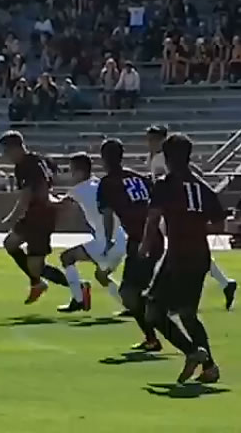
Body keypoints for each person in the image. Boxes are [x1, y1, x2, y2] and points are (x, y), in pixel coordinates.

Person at [140, 133, 223, 384]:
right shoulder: (203, 187)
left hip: (176, 256)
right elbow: (220, 224)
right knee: (187, 313)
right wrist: (196, 229)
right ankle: (208, 367)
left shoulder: (165, 185)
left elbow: (153, 217)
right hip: (199, 256)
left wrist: (145, 245)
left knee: (153, 311)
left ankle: (193, 352)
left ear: (166, 158)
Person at [145, 124, 238, 309]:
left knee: (179, 245)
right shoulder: (162, 157)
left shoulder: (164, 158)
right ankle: (224, 282)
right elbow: (195, 173)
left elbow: (180, 177)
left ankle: (165, 299)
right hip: (172, 204)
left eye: (151, 139)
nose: (148, 142)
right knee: (186, 245)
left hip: (173, 204)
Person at [98, 137, 161, 350]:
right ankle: (152, 335)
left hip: (140, 240)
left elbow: (107, 215)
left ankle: (156, 335)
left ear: (103, 159)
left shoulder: (107, 183)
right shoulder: (138, 178)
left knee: (130, 293)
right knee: (135, 292)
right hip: (154, 237)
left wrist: (108, 240)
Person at [0, 130, 67, 303]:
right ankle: (37, 284)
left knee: (36, 266)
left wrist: (11, 217)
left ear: (16, 148)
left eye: (6, 151)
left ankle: (78, 285)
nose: (5, 156)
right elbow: (54, 176)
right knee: (10, 243)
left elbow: (26, 196)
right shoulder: (38, 159)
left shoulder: (24, 166)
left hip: (40, 216)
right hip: (35, 214)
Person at [55, 152, 127, 313]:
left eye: (71, 170)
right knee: (101, 276)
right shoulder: (99, 183)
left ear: (79, 171)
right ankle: (129, 305)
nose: (70, 175)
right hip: (121, 241)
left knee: (67, 257)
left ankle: (79, 299)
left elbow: (58, 205)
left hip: (104, 243)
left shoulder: (78, 189)